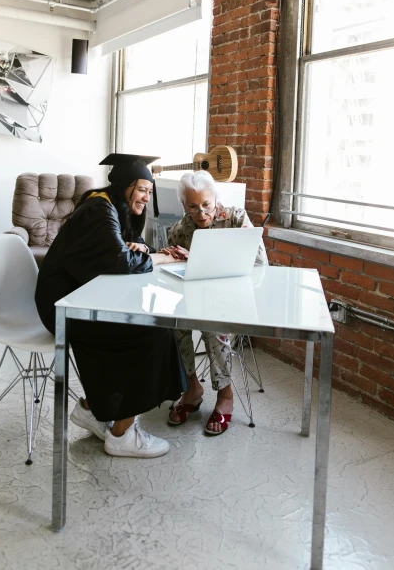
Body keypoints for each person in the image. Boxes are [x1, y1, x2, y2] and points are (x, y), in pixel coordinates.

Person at [35, 153, 184, 458]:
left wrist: (152, 251)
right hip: (64, 307)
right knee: (152, 335)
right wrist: (159, 258)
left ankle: (91, 409)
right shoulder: (98, 209)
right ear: (125, 184)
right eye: (142, 188)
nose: (145, 197)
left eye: (149, 191)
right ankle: (122, 434)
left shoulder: (111, 207)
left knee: (147, 328)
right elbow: (119, 261)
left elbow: (121, 252)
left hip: (79, 298)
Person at [163, 171, 267, 436]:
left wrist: (197, 258)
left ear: (215, 200)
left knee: (212, 323)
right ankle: (191, 389)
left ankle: (225, 393)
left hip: (236, 297)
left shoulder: (236, 218)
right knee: (172, 325)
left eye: (206, 205)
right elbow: (176, 281)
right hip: (195, 299)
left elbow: (259, 264)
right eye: (193, 206)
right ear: (184, 205)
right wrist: (173, 261)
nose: (201, 213)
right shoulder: (178, 231)